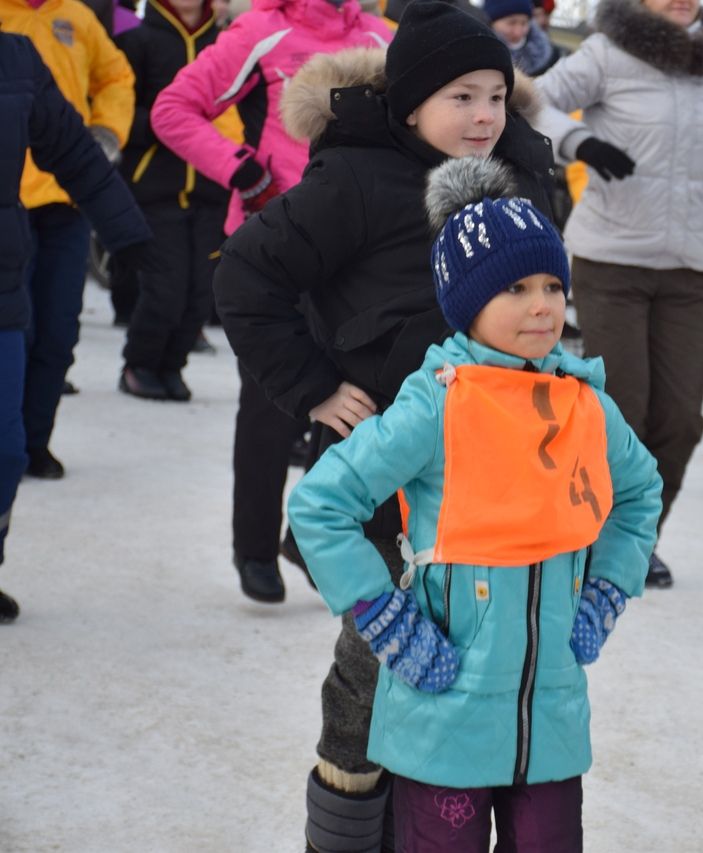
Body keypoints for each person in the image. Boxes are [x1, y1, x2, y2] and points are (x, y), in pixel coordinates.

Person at [214, 3, 559, 846]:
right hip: (388, 470)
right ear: (409, 105)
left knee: (477, 664)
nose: (484, 116)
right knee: (376, 665)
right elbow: (248, 276)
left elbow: (539, 297)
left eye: (496, 97)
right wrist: (314, 386)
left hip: (494, 476)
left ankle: (431, 822)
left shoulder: (520, 168)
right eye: (461, 98)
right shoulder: (357, 179)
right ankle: (344, 823)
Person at [287, 155, 662, 852]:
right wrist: (383, 616)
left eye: (553, 284)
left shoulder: (584, 404)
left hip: (548, 721)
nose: (543, 304)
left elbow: (639, 493)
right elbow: (321, 504)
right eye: (516, 287)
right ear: (466, 300)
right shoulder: (437, 402)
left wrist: (607, 589)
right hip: (442, 719)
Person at [531, 0, 703, 587]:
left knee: (680, 420)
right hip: (612, 260)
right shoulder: (607, 52)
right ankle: (592, 535)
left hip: (692, 264)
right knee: (622, 412)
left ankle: (637, 541)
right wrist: (578, 140)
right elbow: (532, 102)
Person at [150, 0, 392, 602]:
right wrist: (241, 170)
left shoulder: (380, 36)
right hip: (274, 244)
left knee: (359, 399)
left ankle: (306, 536)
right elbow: (173, 108)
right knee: (269, 406)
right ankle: (254, 548)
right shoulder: (262, 28)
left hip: (357, 248)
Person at [0, 32, 151, 622]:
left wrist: (129, 235)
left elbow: (74, 153)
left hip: (2, 287)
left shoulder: (14, 58)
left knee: (8, 451)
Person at [1, 0, 136, 481]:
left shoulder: (77, 15)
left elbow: (116, 77)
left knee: (58, 333)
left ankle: (34, 441)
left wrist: (105, 132)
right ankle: (9, 441)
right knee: (19, 332)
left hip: (67, 201)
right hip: (12, 199)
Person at [115, 0, 230, 401]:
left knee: (200, 292)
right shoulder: (138, 39)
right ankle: (140, 364)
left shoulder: (226, 43)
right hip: (155, 186)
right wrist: (176, 123)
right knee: (165, 287)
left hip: (211, 186)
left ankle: (172, 365)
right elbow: (120, 110)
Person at [484, 0, 560, 77]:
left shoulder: (551, 56)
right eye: (511, 23)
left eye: (524, 23)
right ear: (492, 23)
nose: (518, 32)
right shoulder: (479, 56)